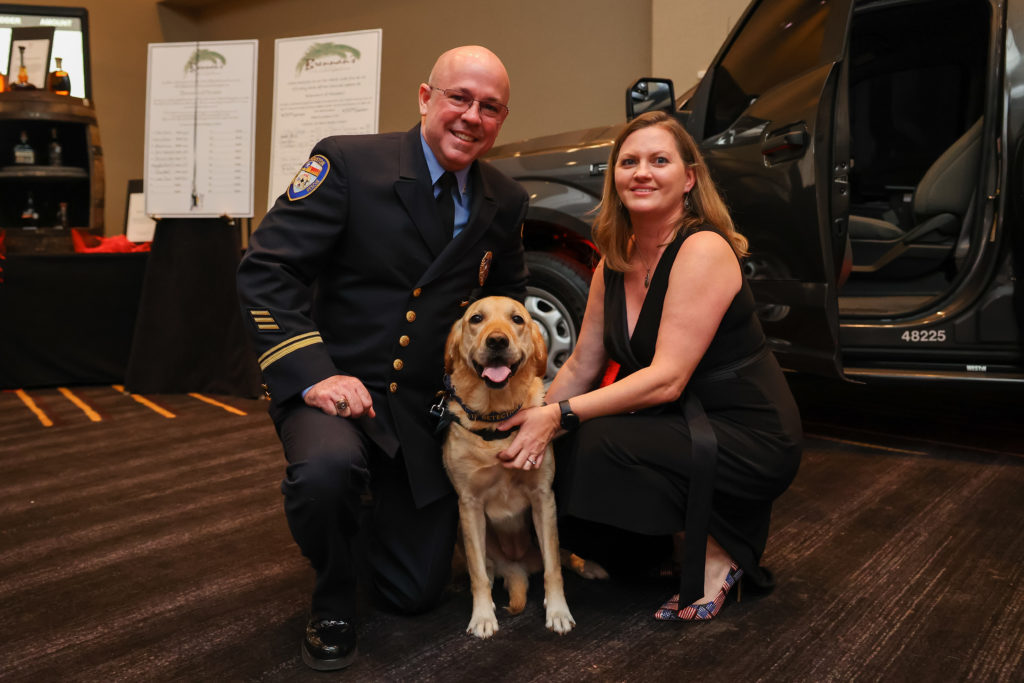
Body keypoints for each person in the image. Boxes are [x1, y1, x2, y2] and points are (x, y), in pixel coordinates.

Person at [237, 46, 528, 670]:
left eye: (490, 107)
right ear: (426, 98)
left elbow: (509, 301)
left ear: (502, 119)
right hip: (337, 386)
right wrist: (314, 373)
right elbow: (267, 269)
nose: (471, 116)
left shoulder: (504, 198)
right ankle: (333, 593)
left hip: (421, 408)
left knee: (414, 594)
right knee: (326, 474)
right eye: (459, 98)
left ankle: (365, 517)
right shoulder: (348, 162)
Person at [496, 110, 802, 621]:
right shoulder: (614, 260)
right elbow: (579, 367)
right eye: (629, 161)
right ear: (614, 178)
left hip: (748, 429)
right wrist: (530, 426)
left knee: (592, 440)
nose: (642, 171)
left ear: (689, 178)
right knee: (560, 451)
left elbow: (667, 379)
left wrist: (560, 416)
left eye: (660, 160)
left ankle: (719, 553)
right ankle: (661, 547)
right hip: (676, 422)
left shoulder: (702, 248)